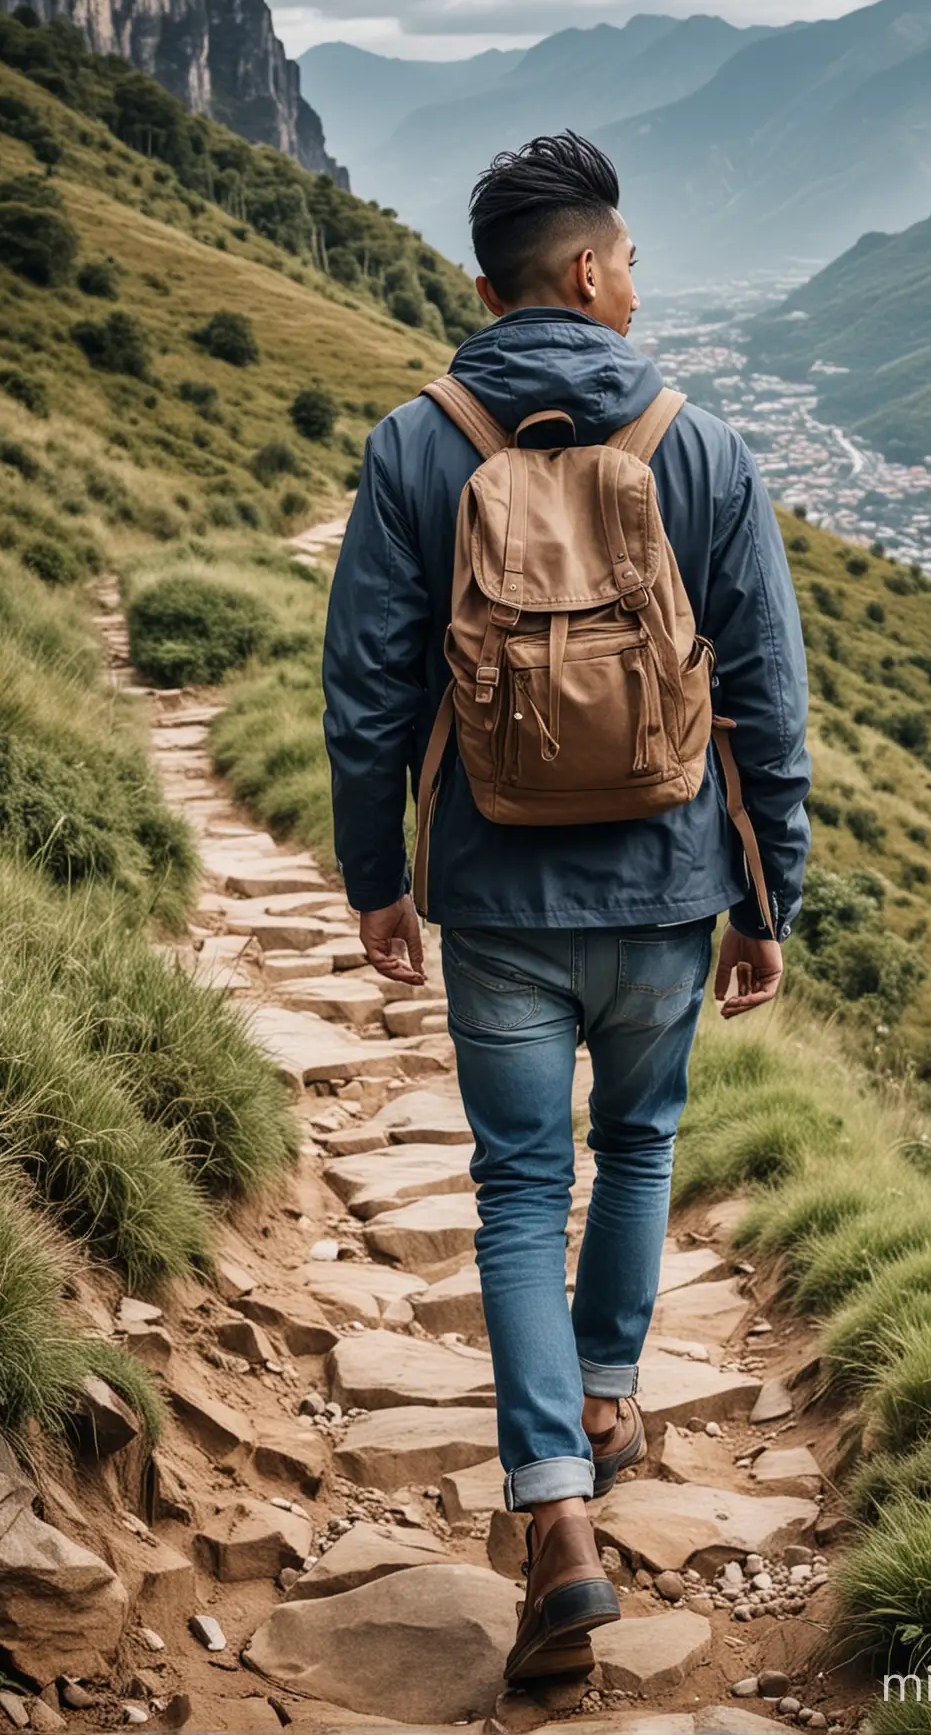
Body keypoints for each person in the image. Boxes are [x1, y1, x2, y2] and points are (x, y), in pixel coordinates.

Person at [323, 131, 810, 1684]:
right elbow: (767, 706)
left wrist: (377, 882)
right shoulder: (703, 446)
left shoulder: (419, 443)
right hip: (668, 887)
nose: (637, 281)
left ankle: (555, 1521)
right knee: (642, 1147)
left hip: (496, 896)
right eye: (635, 260)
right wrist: (764, 896)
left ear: (487, 287)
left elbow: (363, 698)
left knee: (520, 1193)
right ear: (593, 274)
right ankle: (610, 1398)